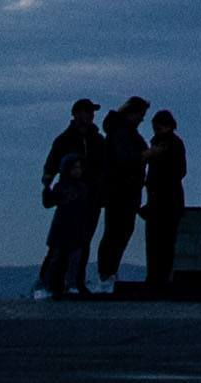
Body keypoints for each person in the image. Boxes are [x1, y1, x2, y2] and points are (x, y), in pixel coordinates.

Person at [35, 96, 103, 297]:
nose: (90, 116)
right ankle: (49, 283)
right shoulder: (64, 140)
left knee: (82, 244)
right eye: (87, 112)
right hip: (69, 201)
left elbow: (104, 167)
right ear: (76, 114)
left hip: (90, 199)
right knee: (59, 247)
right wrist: (49, 185)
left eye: (91, 113)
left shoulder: (97, 140)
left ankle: (74, 283)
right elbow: (51, 165)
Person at [90, 99, 151, 289]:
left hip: (125, 191)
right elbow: (125, 160)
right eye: (140, 115)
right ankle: (106, 274)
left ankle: (108, 272)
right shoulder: (122, 133)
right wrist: (145, 156)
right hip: (121, 191)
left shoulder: (123, 132)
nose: (142, 119)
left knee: (119, 232)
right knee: (117, 232)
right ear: (132, 113)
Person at [137, 101, 188, 287]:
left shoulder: (172, 144)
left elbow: (179, 171)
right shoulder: (160, 144)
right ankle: (156, 278)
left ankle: (160, 278)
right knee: (157, 243)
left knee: (162, 243)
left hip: (166, 202)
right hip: (159, 202)